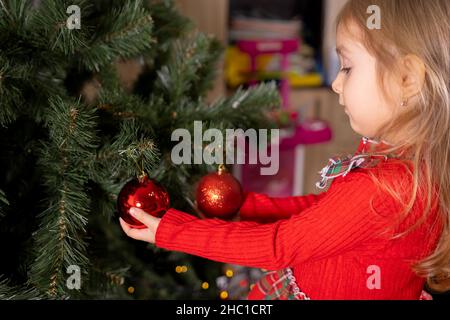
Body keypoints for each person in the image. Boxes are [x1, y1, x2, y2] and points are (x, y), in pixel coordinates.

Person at [120, 0, 450, 299]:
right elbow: (324, 211)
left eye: (347, 67)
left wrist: (170, 231)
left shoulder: (384, 187)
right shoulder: (407, 163)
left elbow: (279, 246)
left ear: (407, 78)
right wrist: (250, 208)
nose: (336, 83)